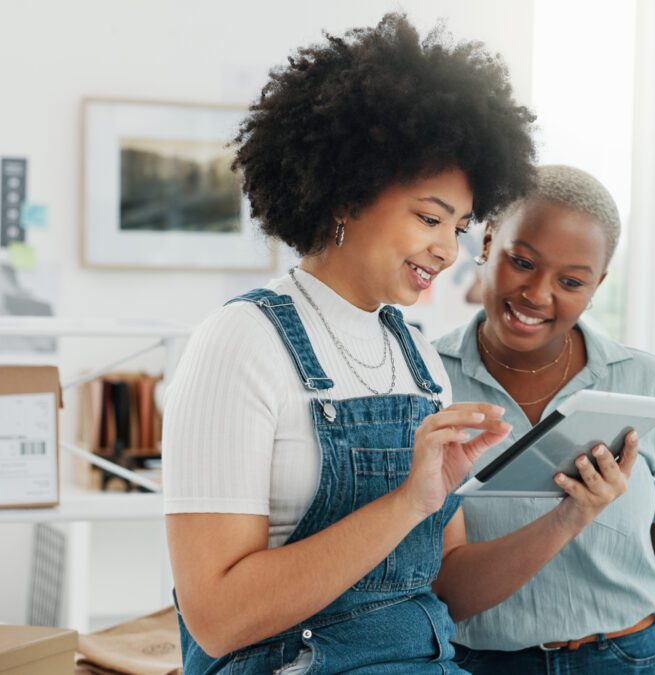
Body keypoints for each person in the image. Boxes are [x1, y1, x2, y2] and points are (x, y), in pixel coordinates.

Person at [162, 15, 544, 673]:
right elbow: (218, 620)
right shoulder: (239, 344)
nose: (447, 251)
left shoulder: (420, 361)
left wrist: (570, 514)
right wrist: (408, 501)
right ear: (345, 193)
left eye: (459, 227)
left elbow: (446, 577)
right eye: (428, 217)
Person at [434, 165, 655, 674]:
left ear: (597, 286)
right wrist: (571, 515)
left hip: (631, 658)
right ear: (487, 242)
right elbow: (441, 589)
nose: (537, 294)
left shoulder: (644, 381)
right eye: (522, 262)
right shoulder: (428, 382)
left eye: (570, 281)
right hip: (481, 664)